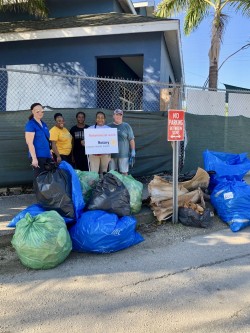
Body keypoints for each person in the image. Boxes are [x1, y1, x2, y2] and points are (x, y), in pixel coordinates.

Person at [25, 103, 53, 179]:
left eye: (42, 111)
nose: (40, 113)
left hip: (47, 155)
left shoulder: (44, 124)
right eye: (37, 111)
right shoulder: (31, 124)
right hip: (38, 156)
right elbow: (29, 143)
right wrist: (34, 158)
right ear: (32, 112)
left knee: (48, 179)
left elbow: (46, 139)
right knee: (39, 179)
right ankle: (38, 191)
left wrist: (50, 151)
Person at [108, 109, 135, 175]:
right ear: (113, 116)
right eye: (116, 115)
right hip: (111, 155)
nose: (118, 116)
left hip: (124, 154)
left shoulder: (126, 126)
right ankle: (113, 185)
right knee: (112, 173)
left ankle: (124, 185)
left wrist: (133, 150)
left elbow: (131, 139)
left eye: (120, 115)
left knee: (124, 173)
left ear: (122, 116)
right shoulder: (108, 126)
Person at [88, 111, 111, 176]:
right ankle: (93, 186)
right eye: (98, 117)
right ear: (96, 119)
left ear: (105, 119)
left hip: (105, 154)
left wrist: (110, 155)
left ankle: (103, 185)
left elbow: (112, 142)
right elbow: (86, 141)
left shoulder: (109, 129)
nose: (100, 119)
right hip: (94, 155)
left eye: (102, 118)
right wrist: (84, 142)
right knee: (94, 173)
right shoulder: (90, 129)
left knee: (104, 172)